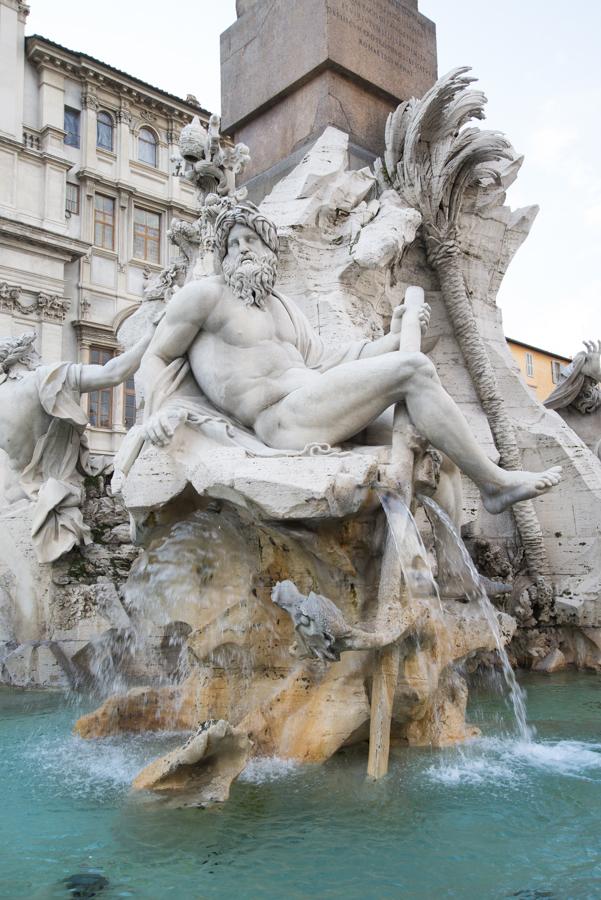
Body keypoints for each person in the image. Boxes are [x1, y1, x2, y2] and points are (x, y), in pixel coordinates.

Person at [139, 203, 561, 515]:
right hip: (279, 422)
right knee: (413, 370)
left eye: (250, 240)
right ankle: (494, 482)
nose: (241, 250)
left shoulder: (285, 308)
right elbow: (156, 355)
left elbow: (332, 362)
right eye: (232, 244)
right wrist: (156, 412)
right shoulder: (206, 296)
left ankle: (451, 579)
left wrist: (394, 338)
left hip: (317, 405)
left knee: (440, 453)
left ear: (270, 250)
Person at [0, 328, 154, 562]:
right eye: (35, 353)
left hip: (12, 502)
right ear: (25, 357)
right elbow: (114, 373)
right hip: (51, 496)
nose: (40, 358)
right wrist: (154, 330)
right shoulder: (47, 378)